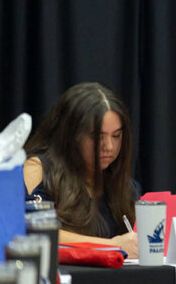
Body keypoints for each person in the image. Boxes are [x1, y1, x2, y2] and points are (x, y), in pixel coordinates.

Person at [23, 82, 139, 258]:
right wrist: (112, 246)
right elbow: (35, 232)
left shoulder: (123, 184)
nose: (109, 146)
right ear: (71, 135)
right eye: (98, 137)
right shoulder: (38, 168)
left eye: (116, 136)